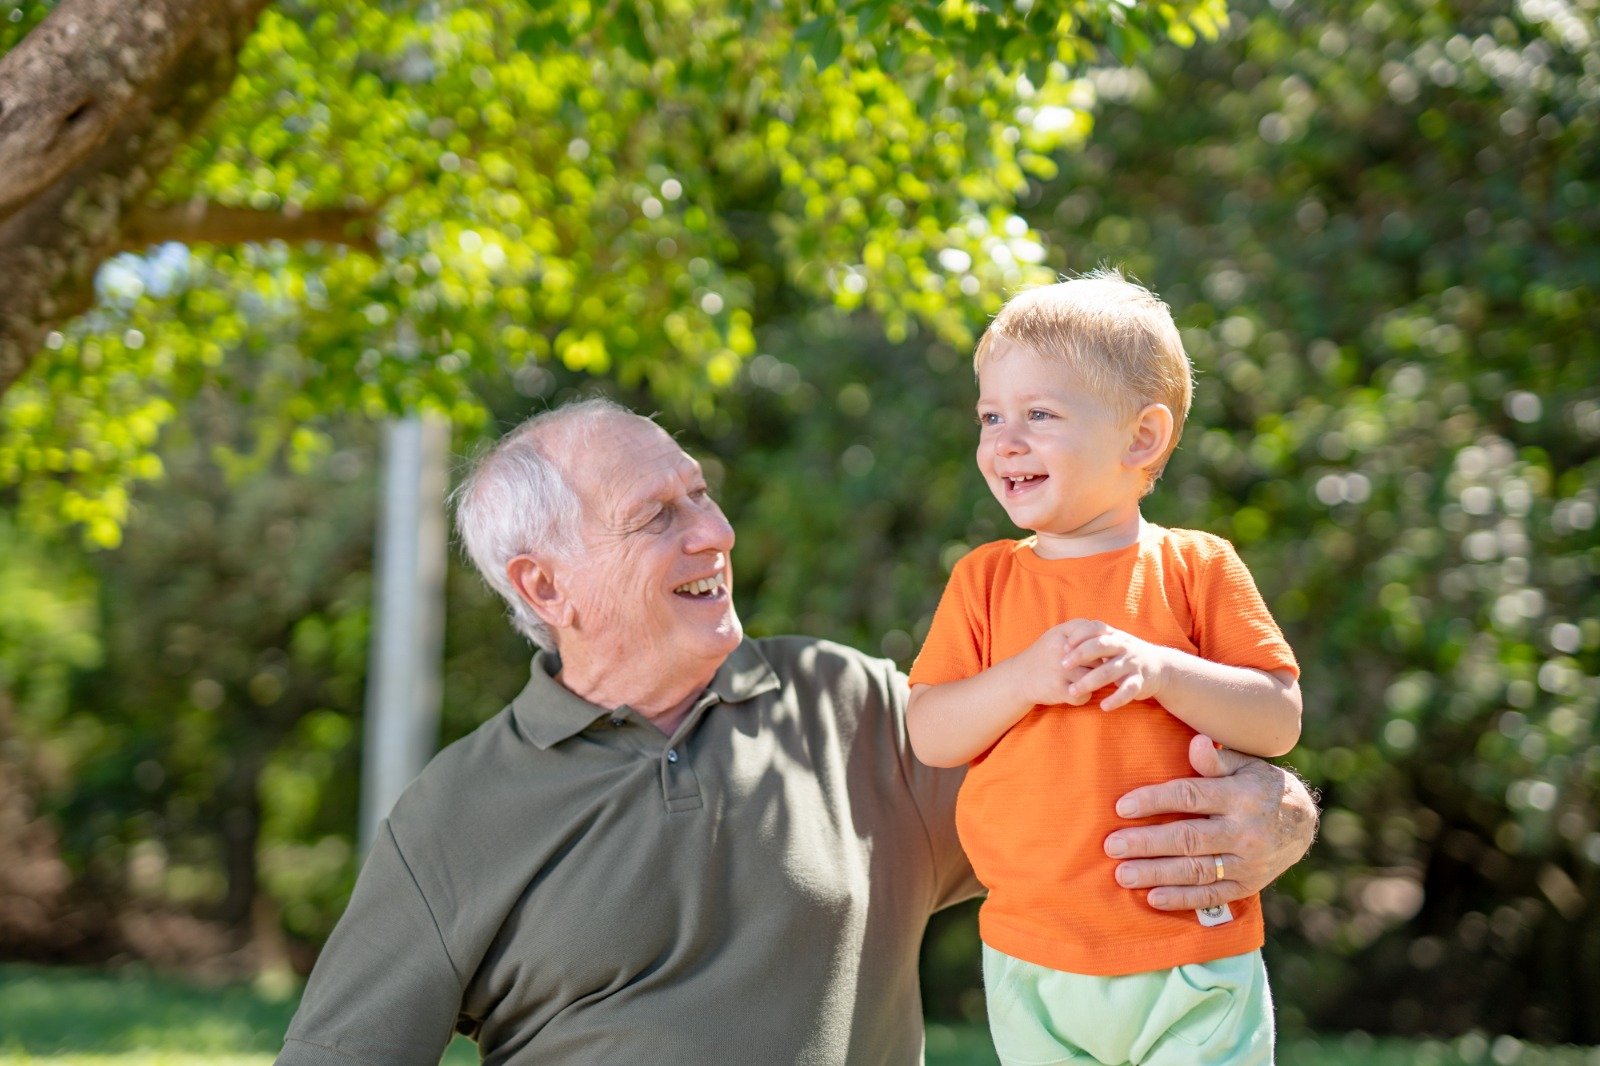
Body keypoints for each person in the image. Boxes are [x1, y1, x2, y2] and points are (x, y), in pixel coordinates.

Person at [275, 397, 1317, 1066]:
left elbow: (1094, 800)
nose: (715, 531)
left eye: (702, 492)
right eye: (657, 516)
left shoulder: (853, 707)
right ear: (547, 586)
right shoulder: (456, 814)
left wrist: (1277, 811)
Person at [906, 271, 1303, 1066]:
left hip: (1189, 948)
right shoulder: (985, 580)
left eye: (1039, 415)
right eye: (991, 415)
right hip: (1033, 953)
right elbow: (930, 732)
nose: (1004, 440)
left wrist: (1163, 669)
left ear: (1141, 438)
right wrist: (1020, 678)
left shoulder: (1198, 567)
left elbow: (1278, 717)